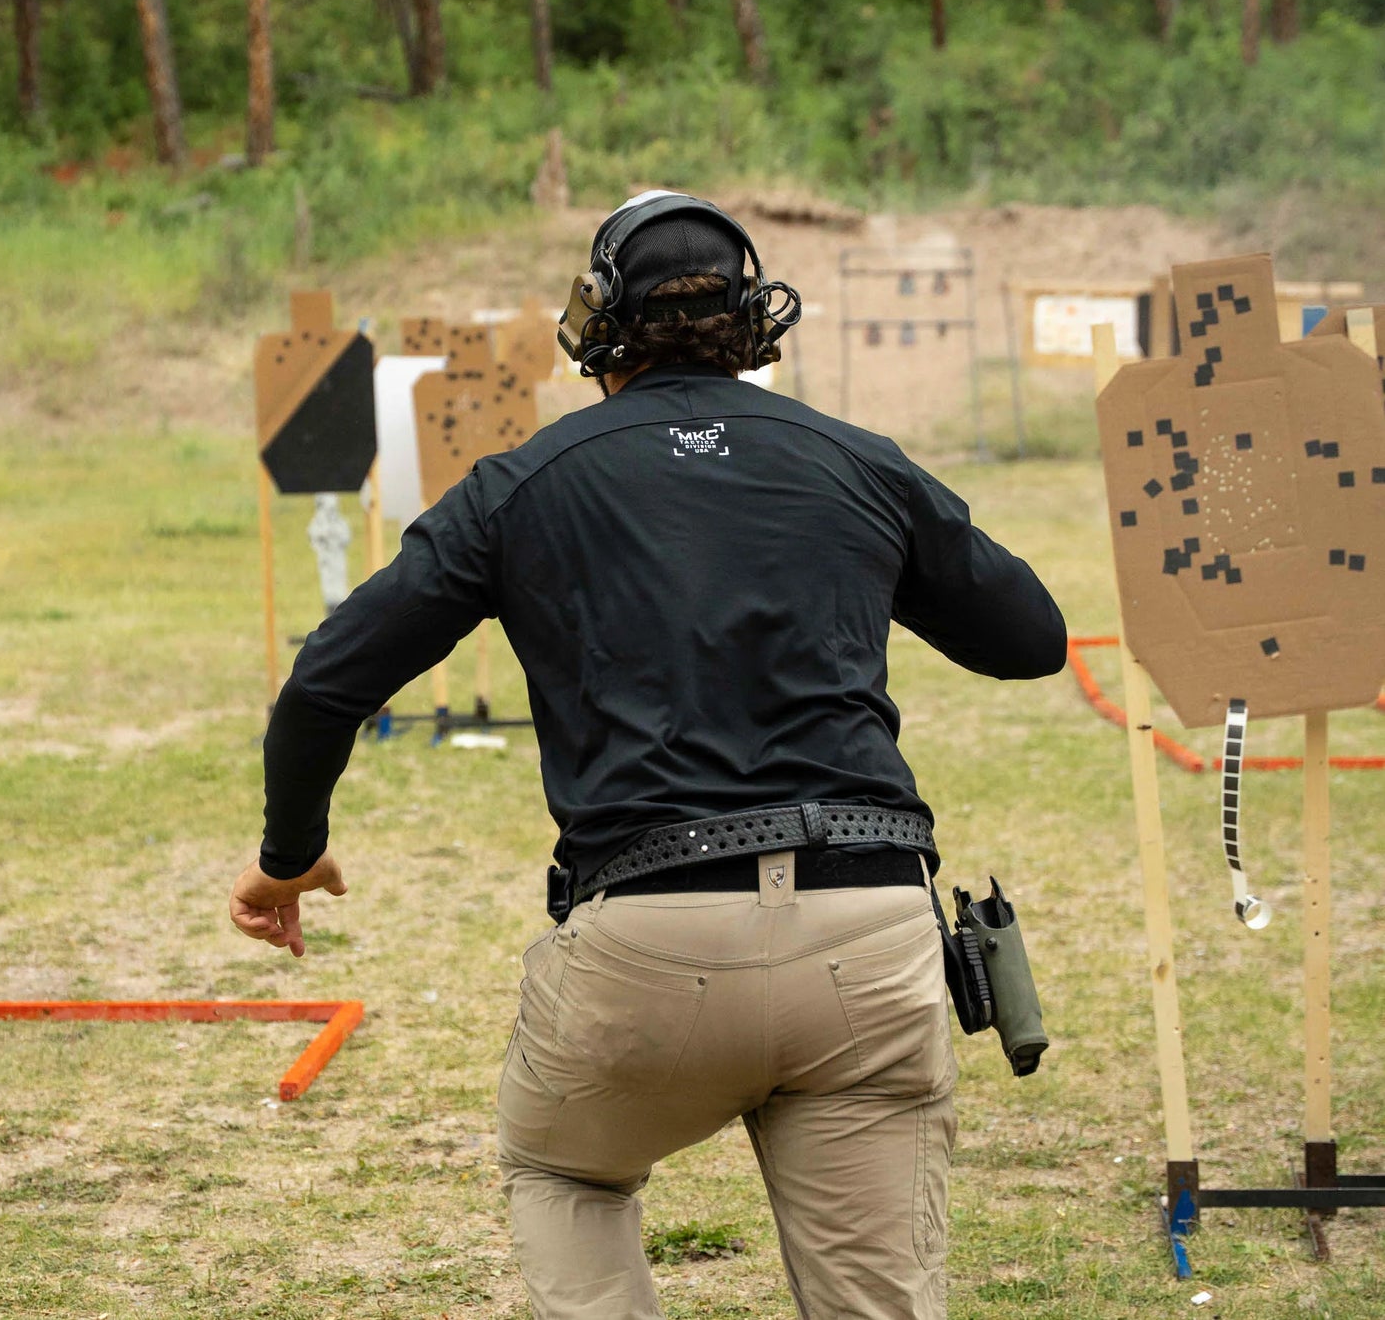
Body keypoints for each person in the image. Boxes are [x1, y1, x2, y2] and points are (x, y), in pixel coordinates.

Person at [229, 191, 1066, 1319]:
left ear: (597, 323)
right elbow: (1028, 638)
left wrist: (289, 855)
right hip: (867, 930)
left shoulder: (521, 484)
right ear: (755, 320)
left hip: (647, 934)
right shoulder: (856, 461)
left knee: (562, 1167)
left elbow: (325, 681)